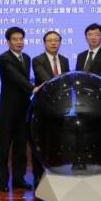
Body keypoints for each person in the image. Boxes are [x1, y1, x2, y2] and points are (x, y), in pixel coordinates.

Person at [0, 27, 34, 193]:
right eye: (15, 39)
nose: (19, 42)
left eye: (21, 39)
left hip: (23, 109)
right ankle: (3, 181)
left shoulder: (27, 58)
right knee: (4, 147)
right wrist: (32, 87)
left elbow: (24, 79)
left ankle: (19, 179)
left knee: (21, 147)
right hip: (8, 110)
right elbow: (15, 77)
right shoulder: (4, 58)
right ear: (8, 42)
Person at [30, 30, 69, 185]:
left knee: (58, 142)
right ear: (44, 43)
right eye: (50, 40)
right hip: (43, 108)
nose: (53, 43)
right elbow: (46, 79)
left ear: (60, 43)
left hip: (61, 109)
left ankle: (58, 174)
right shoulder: (37, 60)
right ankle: (38, 177)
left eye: (56, 40)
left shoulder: (64, 60)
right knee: (40, 142)